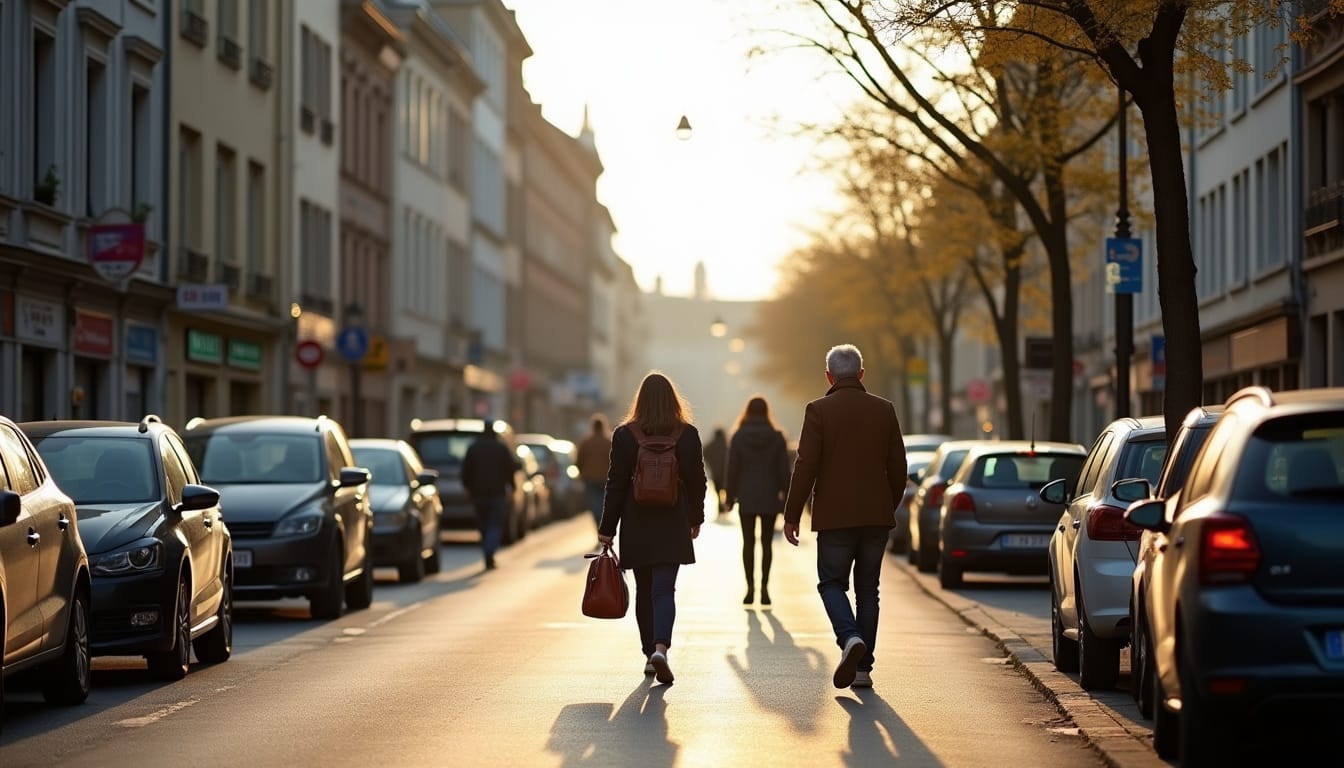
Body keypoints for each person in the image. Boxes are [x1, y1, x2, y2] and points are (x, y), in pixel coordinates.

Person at [783, 344, 907, 690]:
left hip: (835, 517)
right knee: (869, 591)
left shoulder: (819, 410)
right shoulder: (884, 410)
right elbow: (899, 467)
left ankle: (850, 637)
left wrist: (792, 514)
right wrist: (888, 504)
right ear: (862, 374)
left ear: (829, 376)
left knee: (831, 583)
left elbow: (805, 465)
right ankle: (864, 669)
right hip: (875, 516)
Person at [597, 372, 707, 685]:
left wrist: (607, 528)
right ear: (674, 400)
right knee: (664, 589)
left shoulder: (624, 435)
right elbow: (698, 480)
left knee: (644, 590)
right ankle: (661, 647)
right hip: (672, 521)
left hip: (636, 521)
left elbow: (616, 484)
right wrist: (695, 517)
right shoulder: (687, 434)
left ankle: (648, 656)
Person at [724, 395, 790, 606]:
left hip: (747, 496)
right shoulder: (777, 437)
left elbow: (732, 469)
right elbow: (783, 470)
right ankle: (765, 589)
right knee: (767, 544)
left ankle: (750, 588)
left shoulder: (739, 436)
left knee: (748, 543)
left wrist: (729, 496)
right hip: (770, 496)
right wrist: (786, 493)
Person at [461, 420, 520, 571]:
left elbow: (466, 470)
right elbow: (510, 469)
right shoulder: (501, 448)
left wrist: (467, 488)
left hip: (478, 493)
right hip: (497, 493)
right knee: (495, 524)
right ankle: (489, 550)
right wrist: (512, 488)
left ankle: (487, 552)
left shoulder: (473, 448)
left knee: (483, 525)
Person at [575, 415, 612, 528]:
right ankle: (603, 525)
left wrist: (581, 472)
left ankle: (599, 525)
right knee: (604, 504)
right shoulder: (609, 442)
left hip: (590, 478)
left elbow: (579, 460)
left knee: (594, 504)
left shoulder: (586, 442)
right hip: (606, 478)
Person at [703, 427, 728, 516]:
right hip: (725, 474)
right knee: (725, 490)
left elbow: (704, 451)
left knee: (718, 491)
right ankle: (724, 507)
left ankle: (720, 507)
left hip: (716, 473)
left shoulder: (712, 445)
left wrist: (709, 463)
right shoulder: (727, 444)